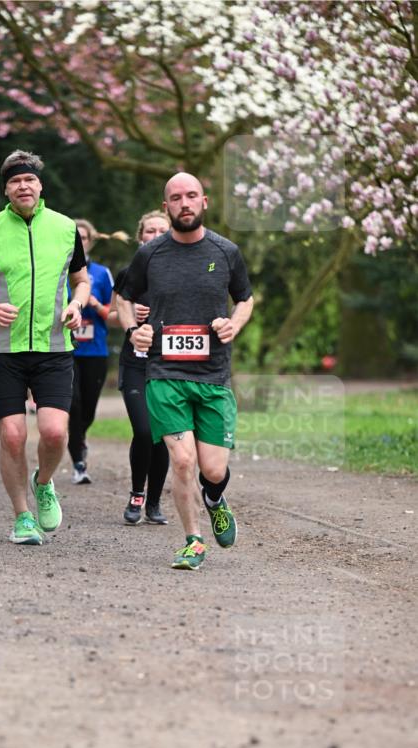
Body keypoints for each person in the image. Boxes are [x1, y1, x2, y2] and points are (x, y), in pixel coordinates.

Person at [0, 149, 89, 545]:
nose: (23, 186)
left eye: (29, 179)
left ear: (40, 185)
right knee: (13, 436)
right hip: (4, 349)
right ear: (6, 190)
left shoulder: (65, 229)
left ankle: (43, 483)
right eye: (15, 181)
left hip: (54, 346)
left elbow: (81, 280)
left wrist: (78, 304)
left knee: (54, 433)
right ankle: (22, 516)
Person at [117, 172, 253, 570]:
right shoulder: (150, 254)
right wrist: (133, 331)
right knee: (182, 462)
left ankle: (214, 498)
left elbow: (245, 299)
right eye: (176, 198)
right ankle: (193, 541)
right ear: (167, 207)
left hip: (212, 376)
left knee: (213, 469)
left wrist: (235, 324)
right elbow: (123, 297)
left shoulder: (226, 251)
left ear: (204, 201)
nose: (185, 203)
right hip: (165, 374)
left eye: (191, 195)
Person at [111, 210, 171, 524]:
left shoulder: (182, 273)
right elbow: (115, 308)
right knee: (145, 430)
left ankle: (155, 502)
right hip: (135, 364)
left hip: (168, 366)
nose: (156, 235)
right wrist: (133, 316)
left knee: (162, 434)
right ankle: (137, 493)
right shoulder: (129, 273)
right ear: (140, 237)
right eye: (150, 230)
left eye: (163, 229)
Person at [68, 219, 114, 485]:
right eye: (75, 236)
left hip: (95, 351)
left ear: (91, 241)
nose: (79, 241)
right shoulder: (57, 271)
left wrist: (95, 304)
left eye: (83, 237)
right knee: (73, 404)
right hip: (64, 351)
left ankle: (77, 436)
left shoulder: (102, 273)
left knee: (88, 411)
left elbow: (115, 314)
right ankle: (78, 462)